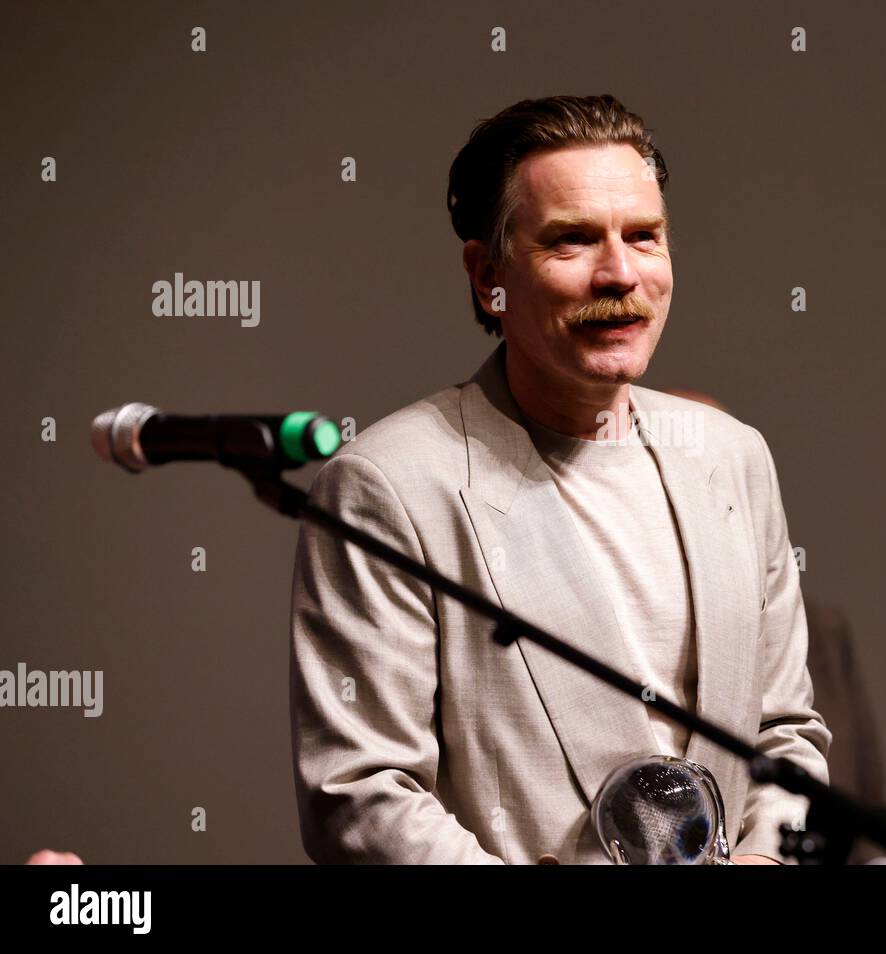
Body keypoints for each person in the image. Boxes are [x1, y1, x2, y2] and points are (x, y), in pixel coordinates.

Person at [289, 94, 830, 864]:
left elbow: (787, 733)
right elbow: (361, 794)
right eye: (571, 241)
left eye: (644, 236)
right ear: (488, 277)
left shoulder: (732, 456)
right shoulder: (389, 485)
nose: (620, 273)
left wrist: (766, 858)